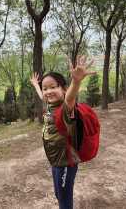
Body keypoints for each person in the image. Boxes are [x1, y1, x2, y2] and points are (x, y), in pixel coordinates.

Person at [30, 56, 96, 209]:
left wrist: (77, 81)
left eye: (53, 87)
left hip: (66, 163)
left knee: (65, 200)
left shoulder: (66, 109)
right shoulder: (50, 105)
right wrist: (36, 85)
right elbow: (42, 96)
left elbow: (71, 98)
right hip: (56, 162)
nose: (48, 92)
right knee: (59, 194)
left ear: (64, 89)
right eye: (46, 88)